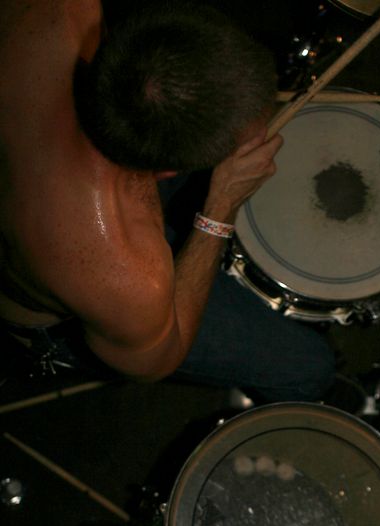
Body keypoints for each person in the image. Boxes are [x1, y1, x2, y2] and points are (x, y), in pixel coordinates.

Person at [0, 1, 336, 402]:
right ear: (164, 171)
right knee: (311, 366)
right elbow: (157, 360)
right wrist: (220, 207)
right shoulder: (121, 275)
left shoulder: (55, 12)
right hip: (53, 316)